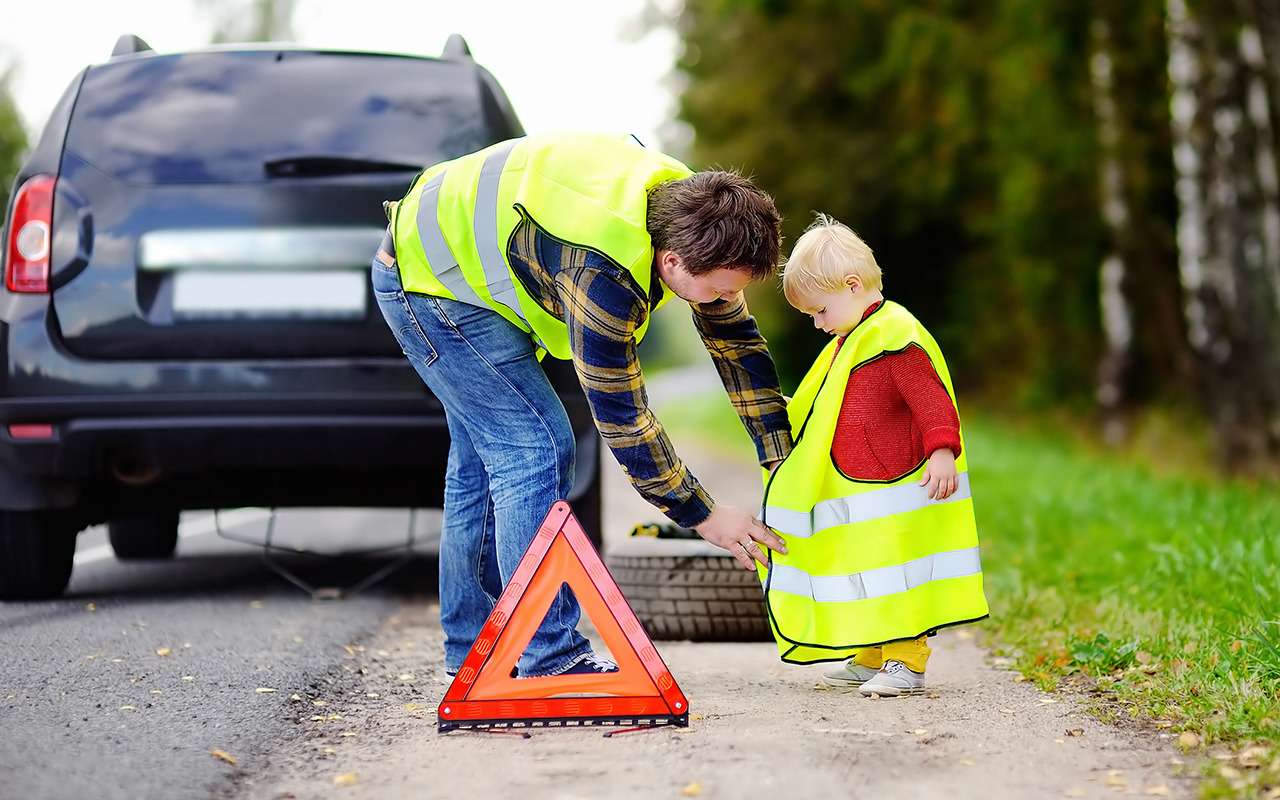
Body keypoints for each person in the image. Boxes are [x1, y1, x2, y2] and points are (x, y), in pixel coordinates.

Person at [372, 132, 791, 678]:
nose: (721, 302)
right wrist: (702, 514)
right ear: (672, 261)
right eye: (716, 290)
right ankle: (551, 657)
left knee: (480, 464)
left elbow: (737, 345)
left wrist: (780, 457)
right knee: (535, 447)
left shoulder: (695, 212)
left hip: (452, 265)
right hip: (429, 283)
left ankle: (472, 653)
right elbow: (623, 416)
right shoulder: (603, 272)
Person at [765, 214, 989, 696]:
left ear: (850, 286)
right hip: (862, 487)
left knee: (898, 572)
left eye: (820, 312)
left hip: (898, 488)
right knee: (867, 570)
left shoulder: (894, 336)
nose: (818, 324)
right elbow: (821, 403)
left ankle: (906, 663)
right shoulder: (852, 340)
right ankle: (871, 655)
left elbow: (931, 399)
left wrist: (943, 450)